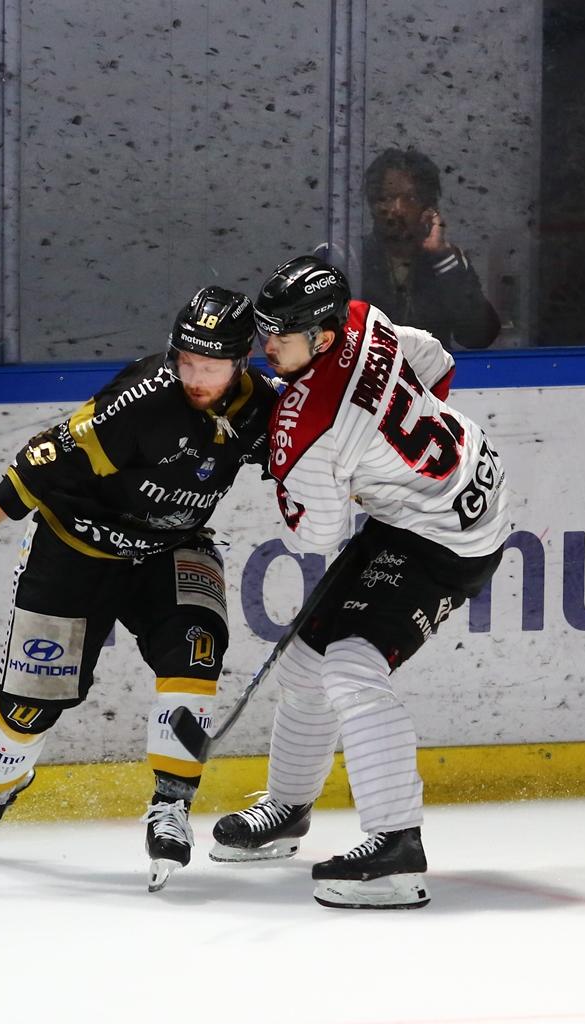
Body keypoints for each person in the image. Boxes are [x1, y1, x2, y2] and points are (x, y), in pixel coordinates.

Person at [0, 286, 280, 891]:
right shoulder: (144, 401)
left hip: (170, 548)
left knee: (195, 646)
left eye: (210, 367)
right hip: (77, 551)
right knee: (28, 704)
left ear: (242, 362)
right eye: (186, 361)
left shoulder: (261, 407)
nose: (195, 377)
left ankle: (170, 803)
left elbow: (310, 458)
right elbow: (41, 462)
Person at [209, 255, 513, 909]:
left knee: (349, 664)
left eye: (279, 337)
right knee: (303, 662)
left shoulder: (307, 428)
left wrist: (288, 470)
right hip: (455, 484)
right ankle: (287, 809)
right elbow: (432, 360)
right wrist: (387, 466)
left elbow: (313, 537)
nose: (267, 348)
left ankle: (397, 849)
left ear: (320, 338)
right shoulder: (359, 321)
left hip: (450, 537)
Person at [358, 148, 502, 350]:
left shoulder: (447, 262)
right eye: (386, 198)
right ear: (373, 205)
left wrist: (442, 257)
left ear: (429, 208)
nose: (397, 209)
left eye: (410, 198)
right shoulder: (349, 259)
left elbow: (479, 336)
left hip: (431, 378)